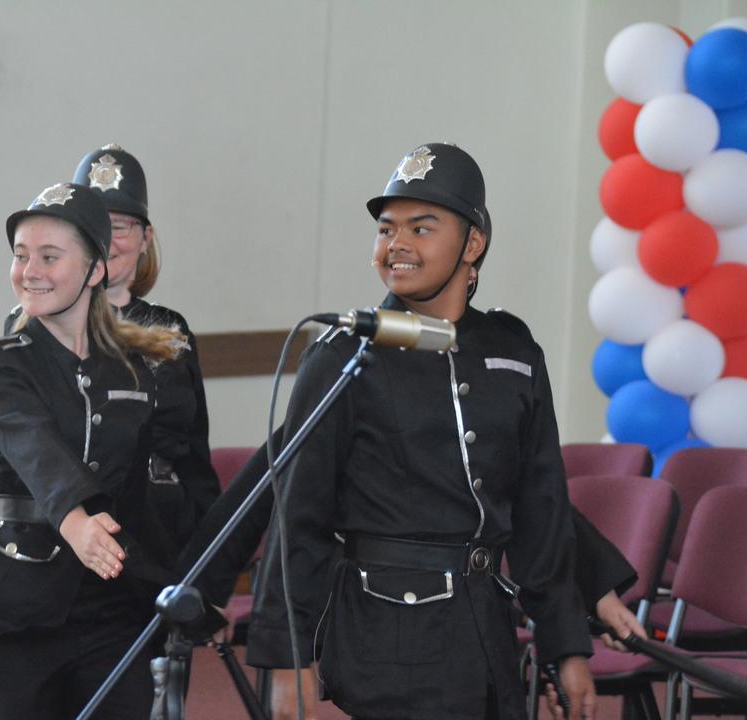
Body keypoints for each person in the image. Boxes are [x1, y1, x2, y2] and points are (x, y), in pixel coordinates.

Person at [244, 143, 597, 720]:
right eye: (386, 229)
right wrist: (289, 659)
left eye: (422, 227)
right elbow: (297, 517)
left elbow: (542, 509)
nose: (397, 245)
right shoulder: (343, 353)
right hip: (382, 637)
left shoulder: (513, 350)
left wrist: (566, 645)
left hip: (484, 636)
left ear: (473, 243)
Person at [0, 182, 188, 719]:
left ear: (96, 269)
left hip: (110, 604)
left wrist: (176, 578)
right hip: (12, 606)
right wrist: (75, 519)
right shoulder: (2, 363)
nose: (29, 270)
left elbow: (142, 491)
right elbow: (31, 447)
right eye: (20, 255)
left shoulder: (132, 372)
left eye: (49, 256)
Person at [3, 145, 220, 568]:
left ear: (146, 239)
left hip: (160, 536)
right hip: (63, 532)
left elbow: (195, 456)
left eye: (119, 225)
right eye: (93, 224)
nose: (107, 238)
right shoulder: (32, 322)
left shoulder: (171, 330)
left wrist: (208, 563)